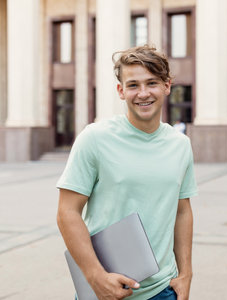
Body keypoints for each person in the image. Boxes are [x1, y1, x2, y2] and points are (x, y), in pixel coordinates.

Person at [56, 45, 197, 300]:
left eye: (152, 83)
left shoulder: (180, 144)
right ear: (121, 91)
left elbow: (183, 210)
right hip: (103, 289)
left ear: (167, 85)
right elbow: (67, 212)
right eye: (133, 85)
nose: (143, 93)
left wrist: (186, 274)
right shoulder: (95, 138)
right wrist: (96, 277)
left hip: (162, 290)